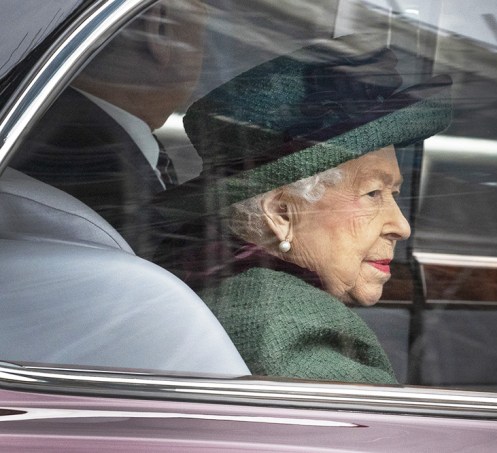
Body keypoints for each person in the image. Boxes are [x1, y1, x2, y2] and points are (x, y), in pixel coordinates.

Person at [160, 34, 453, 384]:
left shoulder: (240, 290)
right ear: (282, 214)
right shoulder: (288, 323)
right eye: (373, 193)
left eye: (395, 193)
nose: (401, 226)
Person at [11, 0, 206, 256]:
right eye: (205, 19)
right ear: (157, 27)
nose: (207, 45)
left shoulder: (46, 135)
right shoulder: (102, 176)